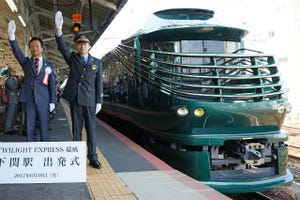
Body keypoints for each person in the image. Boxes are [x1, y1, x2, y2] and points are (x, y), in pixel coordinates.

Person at [55, 11, 103, 169]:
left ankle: (93, 157)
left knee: (91, 132)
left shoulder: (97, 63)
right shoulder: (73, 59)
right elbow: (62, 48)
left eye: (85, 44)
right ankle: (76, 157)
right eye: (79, 44)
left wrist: (99, 101)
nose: (82, 45)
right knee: (76, 131)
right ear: (76, 46)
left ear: (89, 46)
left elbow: (99, 84)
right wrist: (59, 30)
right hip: (76, 100)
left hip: (89, 101)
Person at [7, 20, 56, 142]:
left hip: (44, 100)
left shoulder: (49, 65)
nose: (35, 48)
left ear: (42, 48)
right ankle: (31, 151)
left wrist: (53, 102)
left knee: (44, 127)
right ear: (29, 48)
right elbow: (17, 52)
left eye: (37, 46)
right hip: (28, 99)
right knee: (29, 127)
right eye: (32, 46)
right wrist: (12, 37)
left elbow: (52, 85)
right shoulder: (26, 62)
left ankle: (44, 152)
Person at [4, 66, 19, 134]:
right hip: (11, 99)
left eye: (15, 71)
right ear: (9, 72)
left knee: (14, 114)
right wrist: (19, 83)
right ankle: (7, 129)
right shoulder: (8, 80)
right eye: (13, 71)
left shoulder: (14, 79)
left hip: (15, 99)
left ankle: (12, 127)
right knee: (10, 114)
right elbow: (12, 87)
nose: (14, 72)